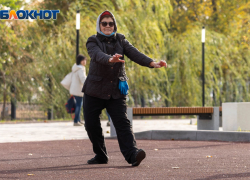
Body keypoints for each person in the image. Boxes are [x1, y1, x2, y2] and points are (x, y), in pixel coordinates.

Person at [82, 11, 167, 166]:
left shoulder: (120, 39)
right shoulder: (92, 40)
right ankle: (101, 155)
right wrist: (110, 59)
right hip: (94, 90)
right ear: (99, 25)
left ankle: (133, 155)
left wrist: (152, 63)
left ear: (114, 25)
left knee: (122, 123)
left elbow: (135, 54)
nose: (108, 26)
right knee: (91, 125)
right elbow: (96, 55)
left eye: (111, 23)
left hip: (115, 90)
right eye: (104, 23)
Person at [70, 54, 87, 126]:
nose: (84, 62)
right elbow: (83, 79)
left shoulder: (76, 68)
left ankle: (78, 120)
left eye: (85, 60)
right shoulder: (80, 69)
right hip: (79, 90)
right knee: (79, 105)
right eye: (83, 60)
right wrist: (88, 85)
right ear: (80, 61)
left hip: (75, 89)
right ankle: (76, 121)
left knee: (78, 105)